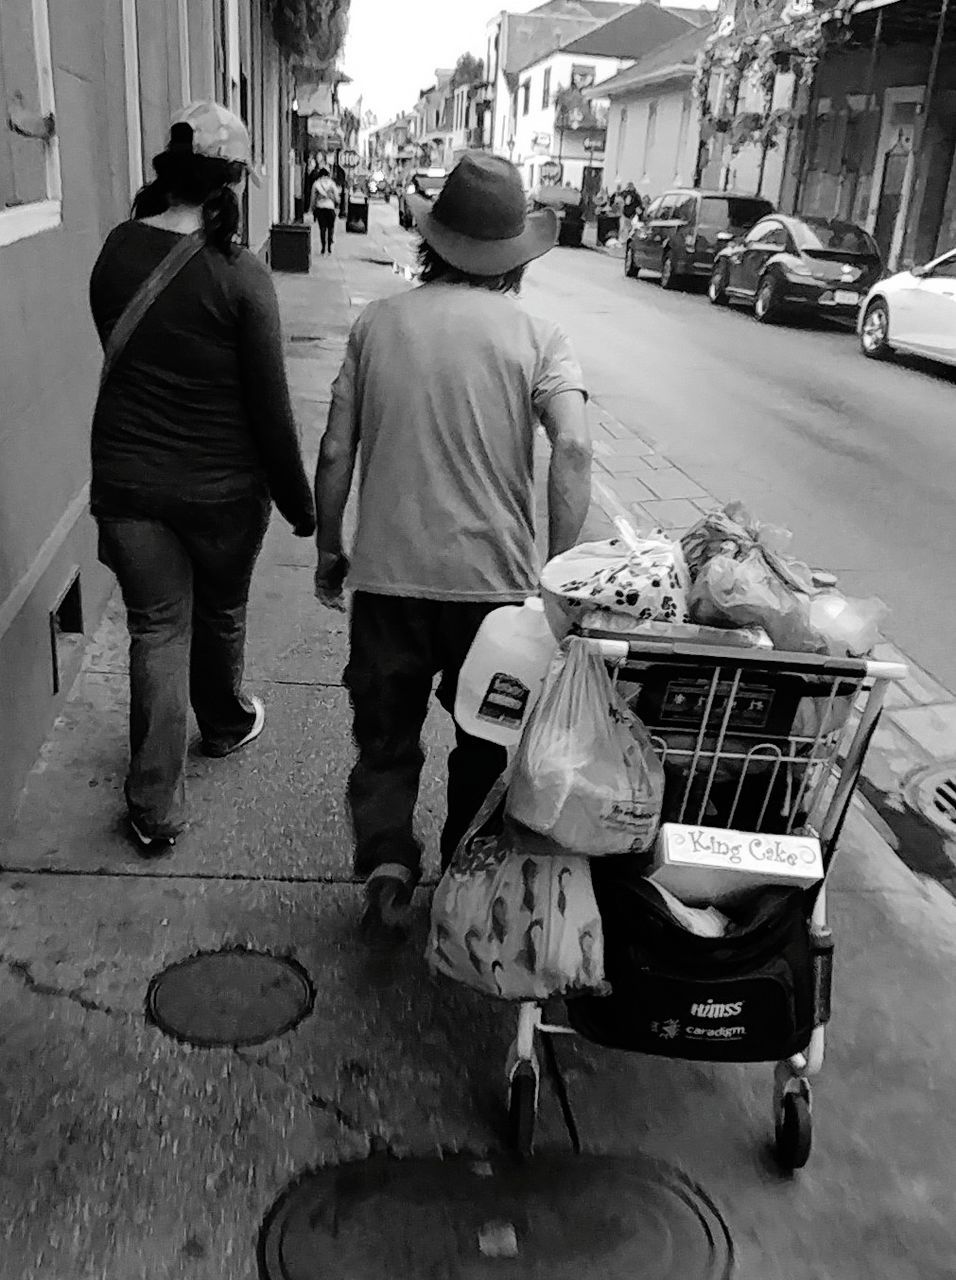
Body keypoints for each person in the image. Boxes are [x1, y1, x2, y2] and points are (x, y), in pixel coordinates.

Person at [313, 152, 592, 949]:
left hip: (389, 583)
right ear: (515, 254)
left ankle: (386, 864)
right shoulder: (542, 335)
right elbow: (572, 452)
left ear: (436, 242)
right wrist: (559, 581)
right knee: (487, 741)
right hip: (496, 597)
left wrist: (330, 548)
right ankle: (466, 874)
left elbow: (336, 451)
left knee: (386, 736)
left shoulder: (377, 322)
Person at [89, 101, 316, 853]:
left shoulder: (117, 250)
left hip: (127, 484)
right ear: (231, 184)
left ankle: (154, 805)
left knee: (157, 628)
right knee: (216, 611)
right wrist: (300, 504)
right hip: (222, 494)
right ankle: (222, 724)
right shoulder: (241, 274)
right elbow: (271, 410)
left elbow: (126, 353)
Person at [311, 167, 341, 254]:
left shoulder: (316, 184)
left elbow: (313, 198)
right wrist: (336, 203)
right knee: (331, 228)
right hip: (330, 208)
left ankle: (323, 247)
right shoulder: (332, 184)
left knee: (322, 228)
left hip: (320, 208)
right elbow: (337, 198)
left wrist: (312, 208)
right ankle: (329, 247)